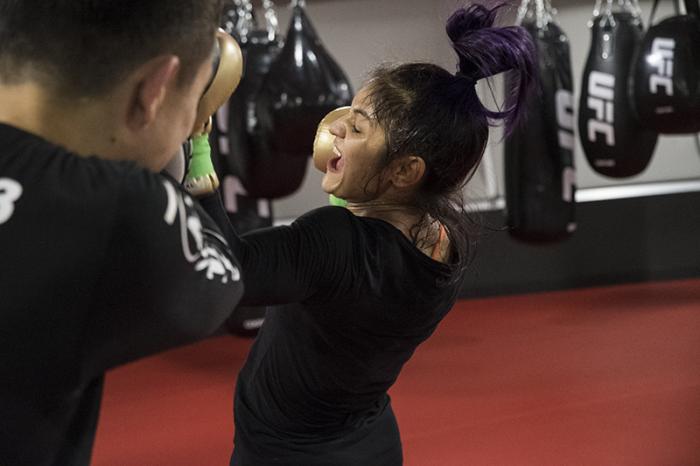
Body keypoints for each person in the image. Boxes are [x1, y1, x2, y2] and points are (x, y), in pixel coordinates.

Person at [200, 4, 536, 465]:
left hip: (286, 454)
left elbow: (230, 270)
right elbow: (362, 255)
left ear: (404, 171)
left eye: (357, 127)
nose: (335, 126)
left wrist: (198, 150)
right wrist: (350, 173)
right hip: (370, 443)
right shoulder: (444, 244)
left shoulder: (332, 242)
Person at [0, 1, 245, 465]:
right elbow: (224, 276)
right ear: (152, 91)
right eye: (191, 102)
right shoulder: (115, 209)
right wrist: (191, 154)